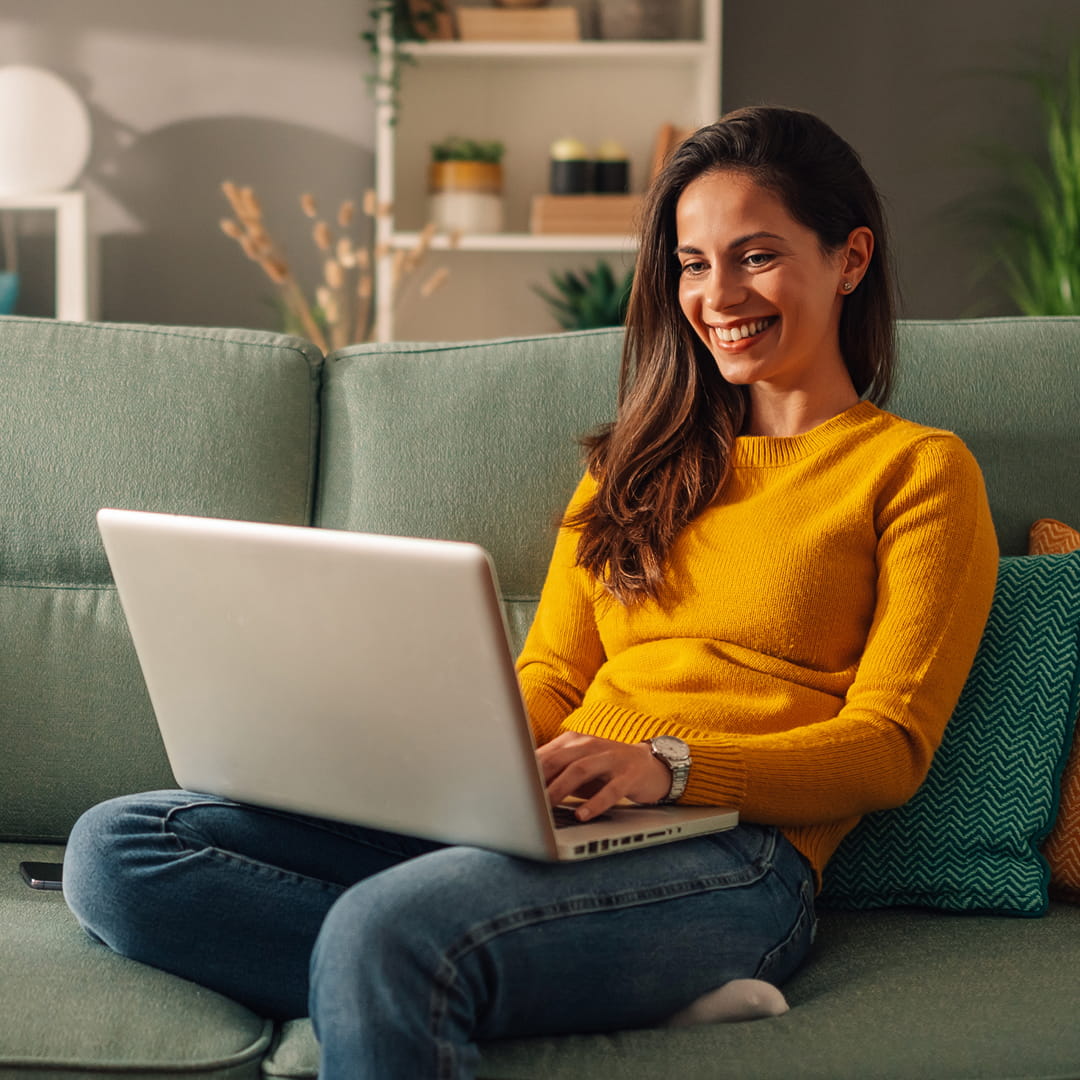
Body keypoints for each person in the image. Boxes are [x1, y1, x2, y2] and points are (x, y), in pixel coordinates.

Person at [62, 106, 999, 1079]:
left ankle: (434, 970)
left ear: (849, 258)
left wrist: (668, 767)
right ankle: (568, 986)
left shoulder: (917, 472)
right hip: (549, 816)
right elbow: (551, 674)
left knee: (389, 933)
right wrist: (430, 761)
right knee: (124, 849)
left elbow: (889, 750)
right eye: (691, 263)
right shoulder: (634, 468)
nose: (717, 295)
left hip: (734, 859)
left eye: (755, 256)